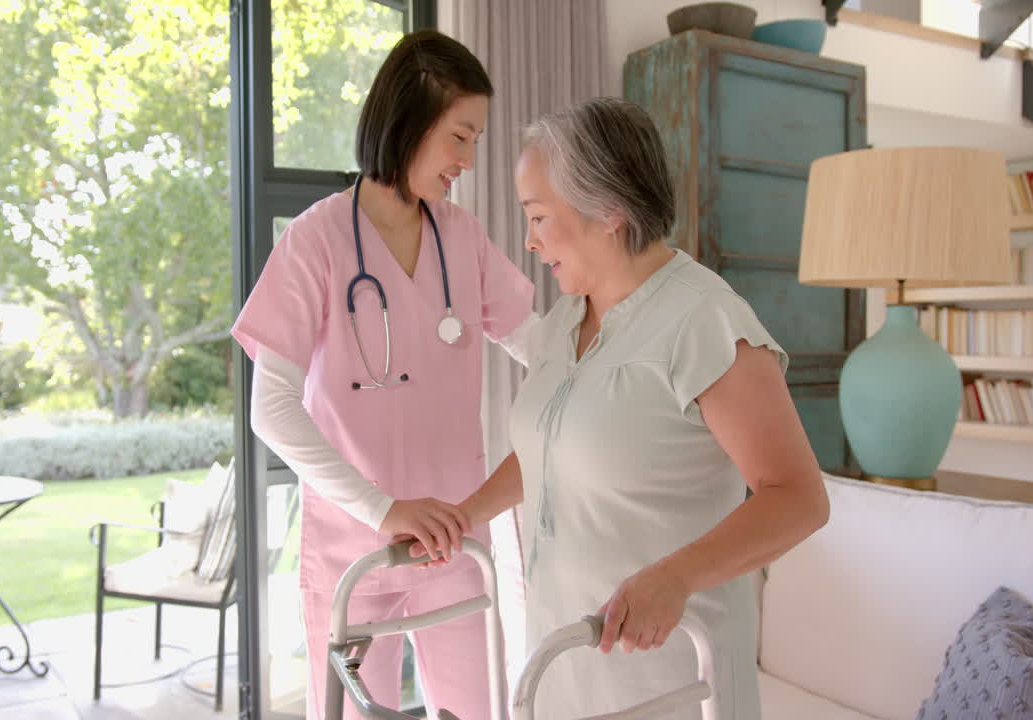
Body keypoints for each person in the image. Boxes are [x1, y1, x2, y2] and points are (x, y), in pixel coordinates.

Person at [446, 97, 830, 720]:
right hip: (564, 663)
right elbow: (552, 451)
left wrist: (674, 577)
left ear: (609, 213)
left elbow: (798, 498)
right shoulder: (566, 318)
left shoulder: (704, 322)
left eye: (539, 216)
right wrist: (465, 515)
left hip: (673, 679)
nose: (530, 239)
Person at [230, 30, 535, 720]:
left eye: (475, 141)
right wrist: (382, 509)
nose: (467, 159)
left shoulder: (463, 238)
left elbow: (540, 351)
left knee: (476, 711)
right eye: (460, 136)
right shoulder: (314, 241)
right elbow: (271, 408)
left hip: (456, 543)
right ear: (408, 120)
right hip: (352, 548)